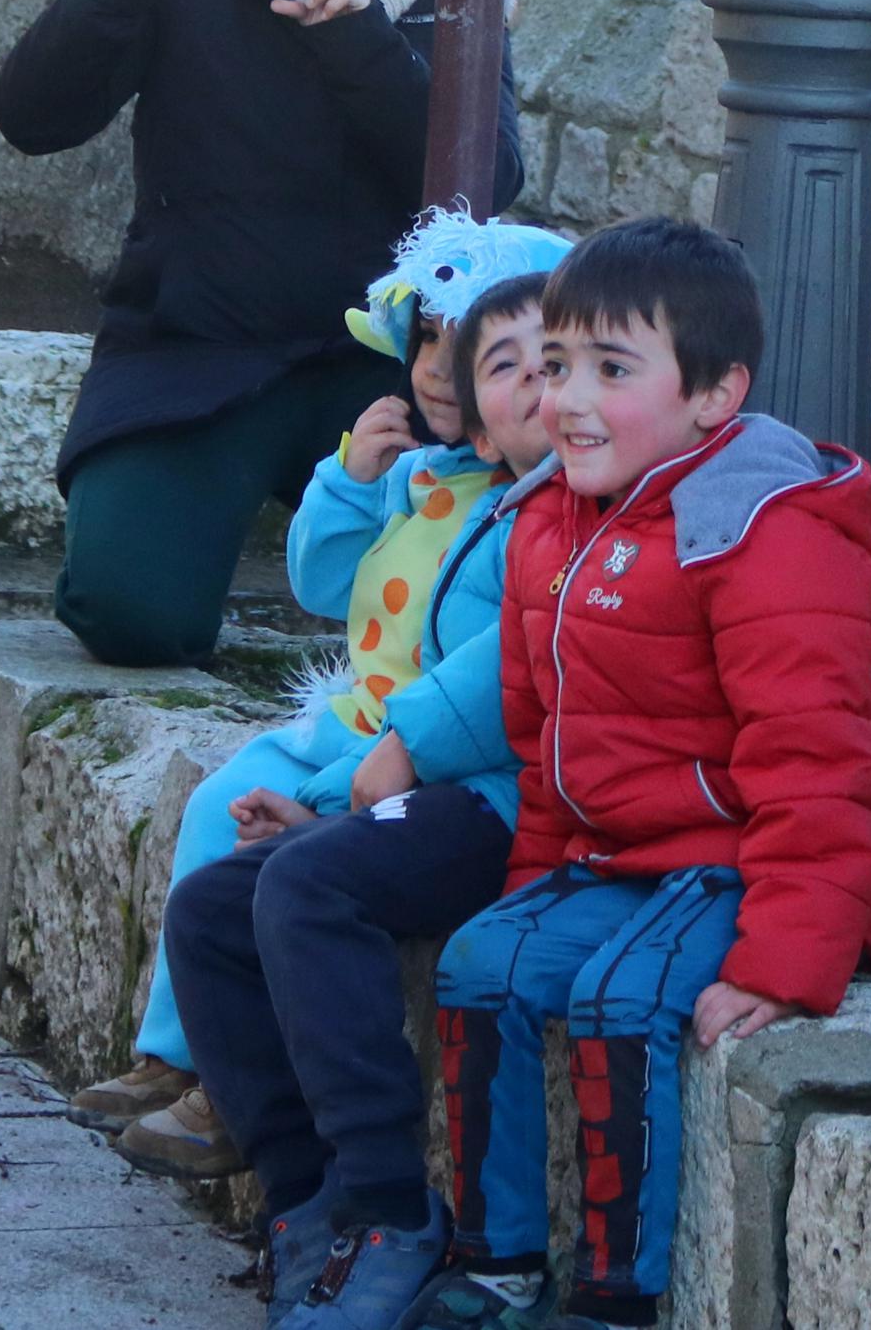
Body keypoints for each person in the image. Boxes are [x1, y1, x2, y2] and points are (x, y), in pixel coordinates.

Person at [276, 216, 871, 1330]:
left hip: (737, 862)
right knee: (482, 961)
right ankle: (494, 1262)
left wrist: (793, 958)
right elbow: (541, 739)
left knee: (619, 1001)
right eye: (558, 362)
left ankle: (614, 1295)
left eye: (609, 370)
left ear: (715, 394)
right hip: (615, 855)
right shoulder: (552, 521)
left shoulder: (760, 530)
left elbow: (819, 761)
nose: (566, 397)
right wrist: (532, 880)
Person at [0, 0, 523, 670]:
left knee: (459, 619)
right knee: (130, 616)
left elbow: (482, 183)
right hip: (193, 353)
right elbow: (31, 117)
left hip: (375, 366)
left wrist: (358, 30)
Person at [84, 211, 570, 1178]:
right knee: (217, 808)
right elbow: (317, 582)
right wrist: (349, 479)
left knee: (293, 863)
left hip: (420, 748)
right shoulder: (418, 475)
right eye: (424, 338)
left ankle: (232, 1094)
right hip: (354, 714)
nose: (434, 365)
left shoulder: (530, 505)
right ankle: (174, 1050)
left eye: (461, 343)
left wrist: (354, 777)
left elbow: (488, 675)